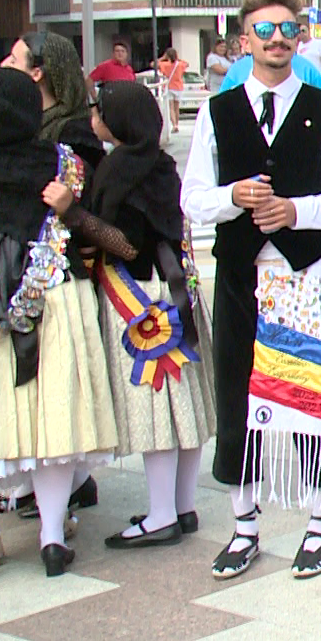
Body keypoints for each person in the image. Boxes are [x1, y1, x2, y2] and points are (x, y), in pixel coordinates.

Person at [181, 0, 321, 581]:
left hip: (303, 274)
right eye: (265, 30)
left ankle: (320, 526)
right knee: (237, 391)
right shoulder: (219, 110)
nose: (278, 39)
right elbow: (191, 198)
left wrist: (297, 212)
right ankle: (243, 527)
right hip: (240, 275)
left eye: (289, 28)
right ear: (245, 41)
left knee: (311, 397)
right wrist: (232, 198)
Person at [47, 81, 214, 549]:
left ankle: (161, 515)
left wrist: (74, 214)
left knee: (157, 406)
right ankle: (182, 507)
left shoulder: (122, 169)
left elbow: (125, 242)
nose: (94, 116)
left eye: (101, 109)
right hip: (177, 293)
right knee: (185, 407)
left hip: (141, 303)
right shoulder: (160, 164)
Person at [0, 68, 117, 578]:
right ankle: (53, 537)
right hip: (52, 292)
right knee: (58, 417)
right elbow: (97, 233)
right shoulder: (63, 163)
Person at [7, 32, 107, 174]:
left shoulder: (75, 135)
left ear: (36, 74)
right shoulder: (22, 120)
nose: (4, 65)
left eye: (13, 60)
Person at [156, 47, 188, 134]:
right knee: (176, 107)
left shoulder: (165, 64)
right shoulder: (180, 65)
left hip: (169, 87)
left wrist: (163, 58)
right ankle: (177, 123)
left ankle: (174, 125)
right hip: (179, 87)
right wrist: (177, 59)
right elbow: (187, 64)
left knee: (171, 108)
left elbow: (153, 64)